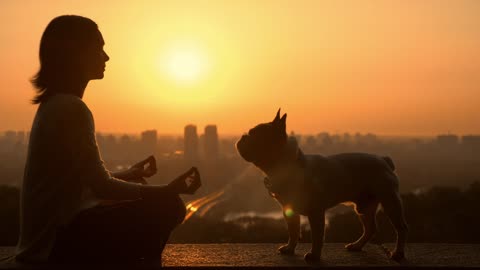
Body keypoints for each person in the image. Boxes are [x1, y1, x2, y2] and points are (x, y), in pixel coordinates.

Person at [15, 15, 201, 264]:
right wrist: (168, 190)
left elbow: (82, 180)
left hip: (48, 239)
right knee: (170, 205)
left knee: (146, 188)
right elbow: (101, 186)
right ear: (78, 54)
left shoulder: (56, 104)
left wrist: (129, 173)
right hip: (56, 245)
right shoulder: (71, 108)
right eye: (99, 48)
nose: (106, 57)